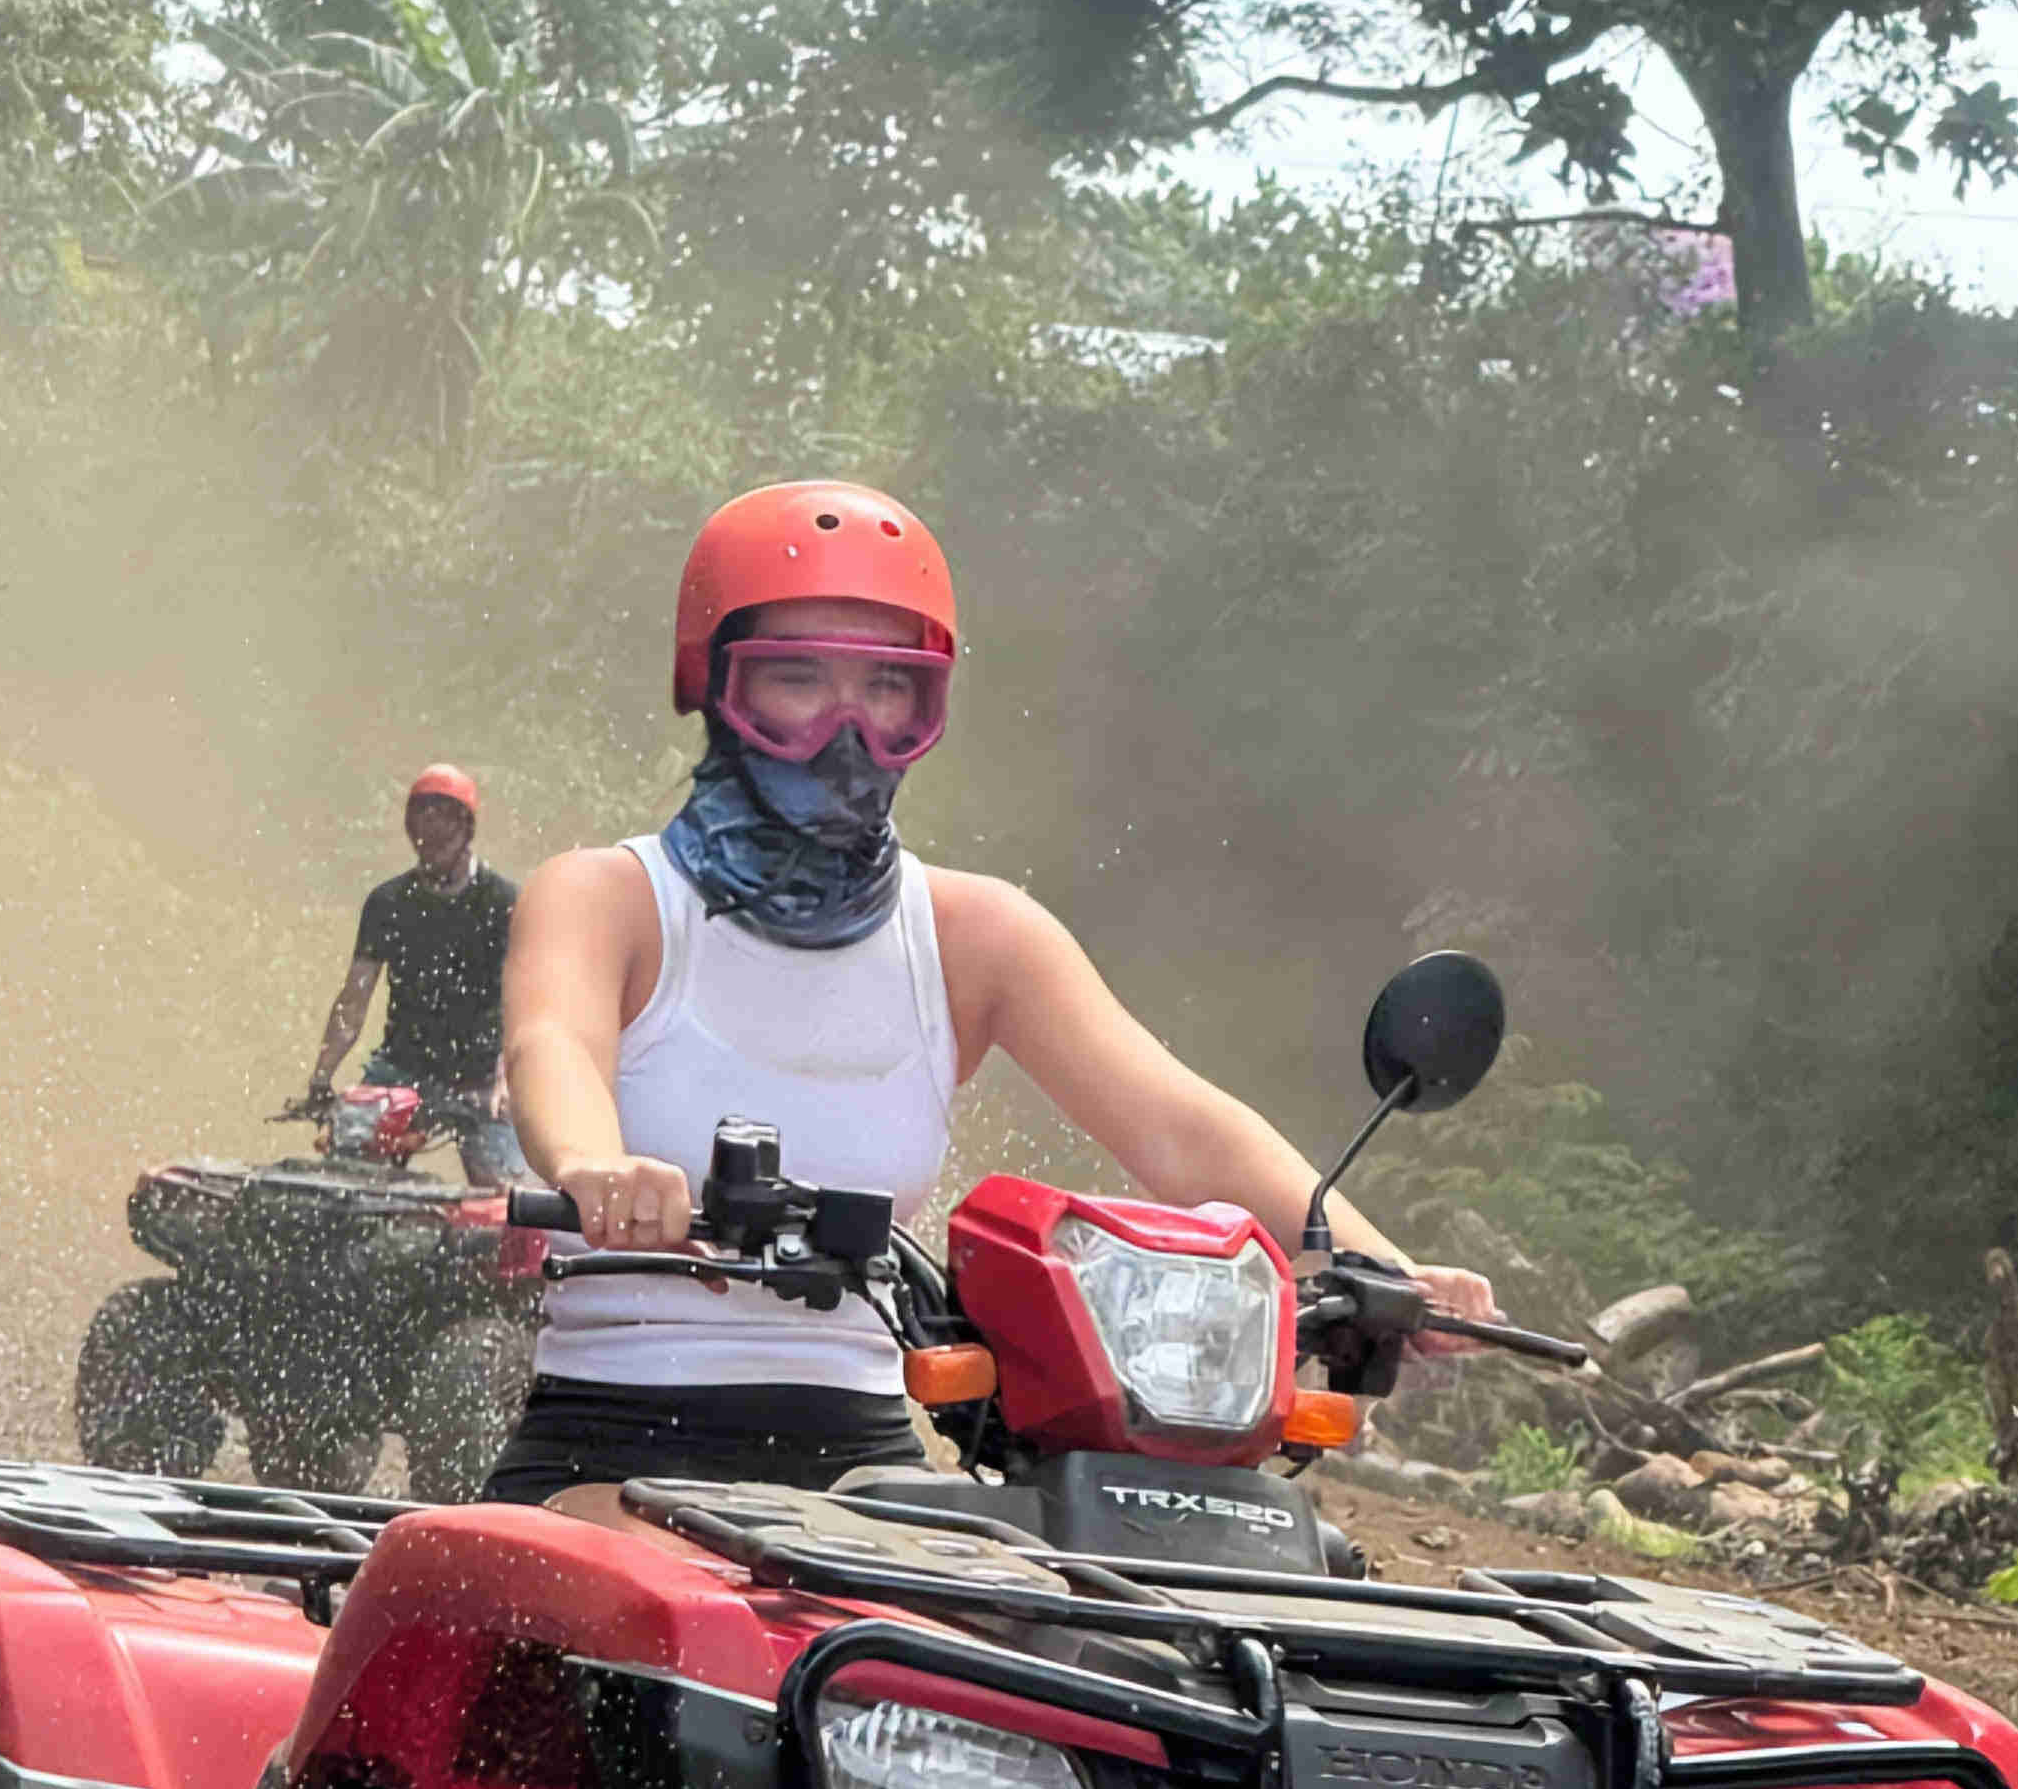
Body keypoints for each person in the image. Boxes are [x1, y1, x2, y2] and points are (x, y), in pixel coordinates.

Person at [488, 479, 1501, 1504]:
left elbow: (1177, 1129)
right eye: (797, 679)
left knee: (1051, 1650)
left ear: (927, 709)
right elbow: (553, 1048)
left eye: (888, 690)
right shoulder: (607, 897)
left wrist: (1385, 1271)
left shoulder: (976, 936)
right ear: (714, 687)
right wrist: (595, 1163)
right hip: (608, 1431)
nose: (849, 730)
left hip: (864, 1466)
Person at [305, 765, 521, 1186]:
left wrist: (505, 1078)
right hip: (401, 1069)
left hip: (480, 1077)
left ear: (467, 831)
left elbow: (523, 1000)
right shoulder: (387, 903)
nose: (432, 840)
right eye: (422, 829)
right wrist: (322, 1076)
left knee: (506, 1192)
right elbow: (354, 1001)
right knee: (344, 1174)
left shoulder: (504, 902)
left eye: (443, 828)